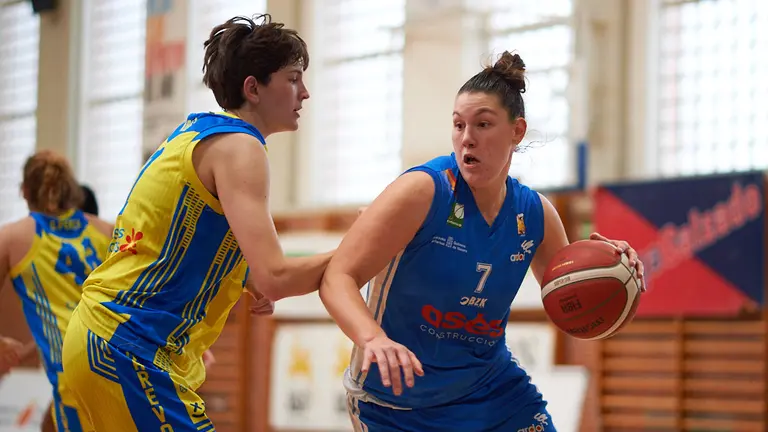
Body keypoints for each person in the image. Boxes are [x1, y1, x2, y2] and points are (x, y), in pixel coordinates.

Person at [319, 52, 647, 432]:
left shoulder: (535, 214)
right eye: (458, 125)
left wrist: (617, 272)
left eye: (483, 124)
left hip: (491, 391)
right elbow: (337, 277)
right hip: (398, 404)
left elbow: (571, 299)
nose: (467, 138)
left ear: (516, 131)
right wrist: (371, 337)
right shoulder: (422, 191)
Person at [61, 14, 330, 431]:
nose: (305, 92)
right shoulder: (241, 147)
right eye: (293, 78)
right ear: (253, 88)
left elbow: (188, 240)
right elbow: (276, 275)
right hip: (129, 345)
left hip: (110, 338)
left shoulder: (197, 133)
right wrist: (371, 247)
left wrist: (244, 278)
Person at [0, 150, 114, 432]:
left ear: (25, 190)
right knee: (48, 424)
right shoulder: (108, 230)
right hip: (120, 365)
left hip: (72, 372)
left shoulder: (13, 238)